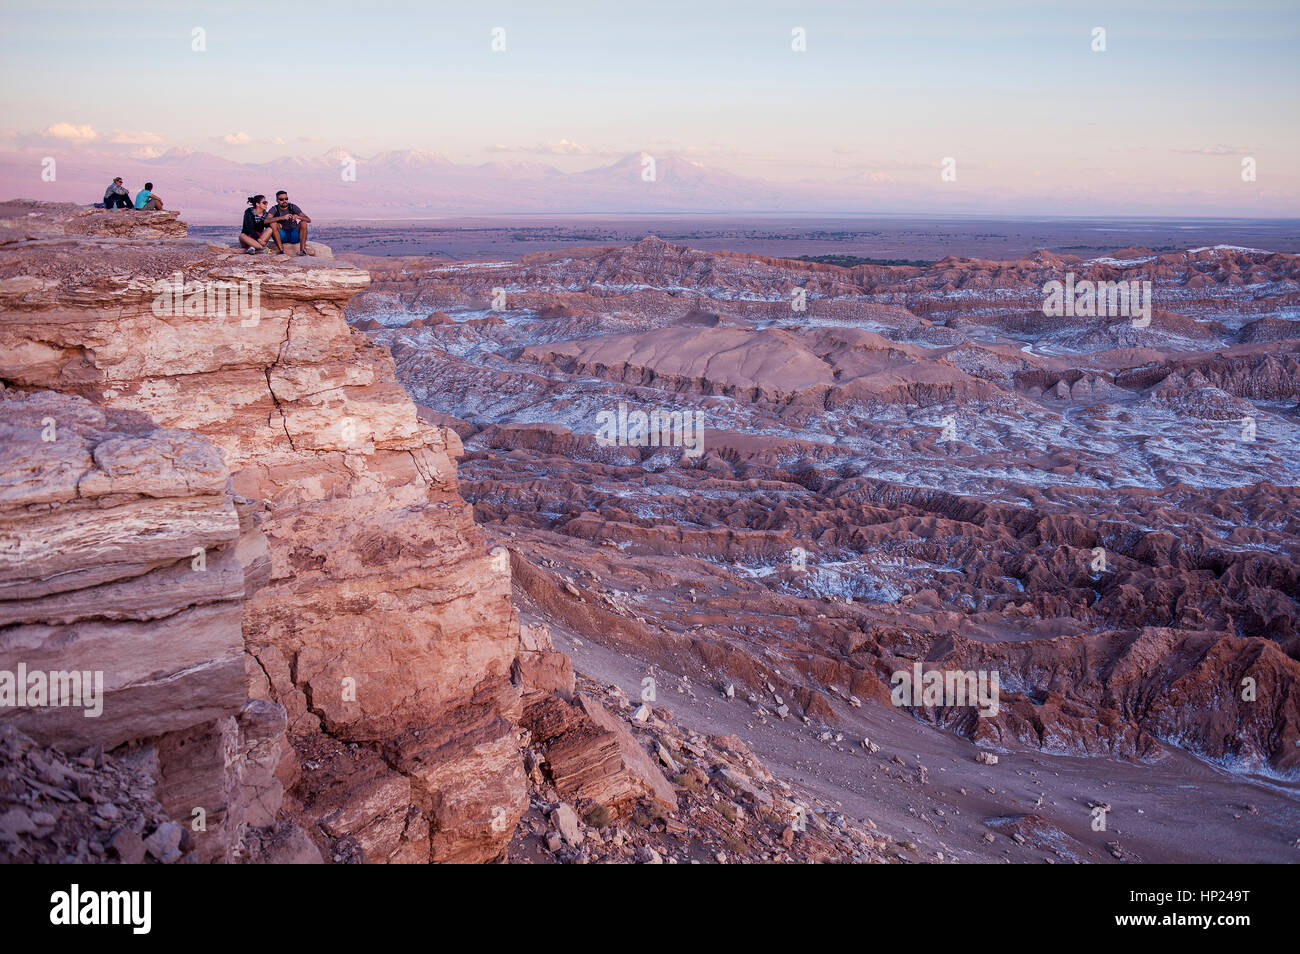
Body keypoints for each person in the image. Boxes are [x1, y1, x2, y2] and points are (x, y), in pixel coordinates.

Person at [265, 190, 314, 256]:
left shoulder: (292, 207)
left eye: (286, 199)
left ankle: (302, 251)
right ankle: (281, 251)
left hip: (293, 233)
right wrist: (281, 218)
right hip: (281, 235)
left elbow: (308, 220)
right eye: (281, 199)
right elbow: (266, 221)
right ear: (277, 200)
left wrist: (298, 217)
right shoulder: (274, 209)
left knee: (303, 223)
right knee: (273, 224)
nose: (284, 201)